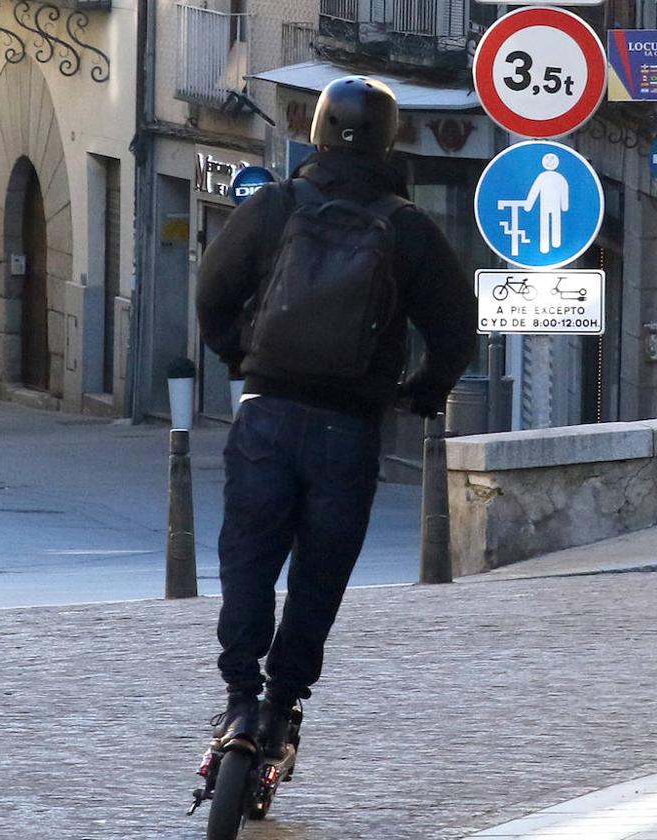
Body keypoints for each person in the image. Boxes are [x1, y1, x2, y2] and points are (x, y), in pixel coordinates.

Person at [195, 76, 477, 757]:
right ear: (388, 140)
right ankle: (282, 706)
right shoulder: (407, 227)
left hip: (266, 415)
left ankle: (238, 700)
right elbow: (456, 330)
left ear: (317, 132)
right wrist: (421, 389)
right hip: (348, 427)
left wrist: (244, 355)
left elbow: (212, 293)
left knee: (248, 561)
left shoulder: (273, 206)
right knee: (320, 574)